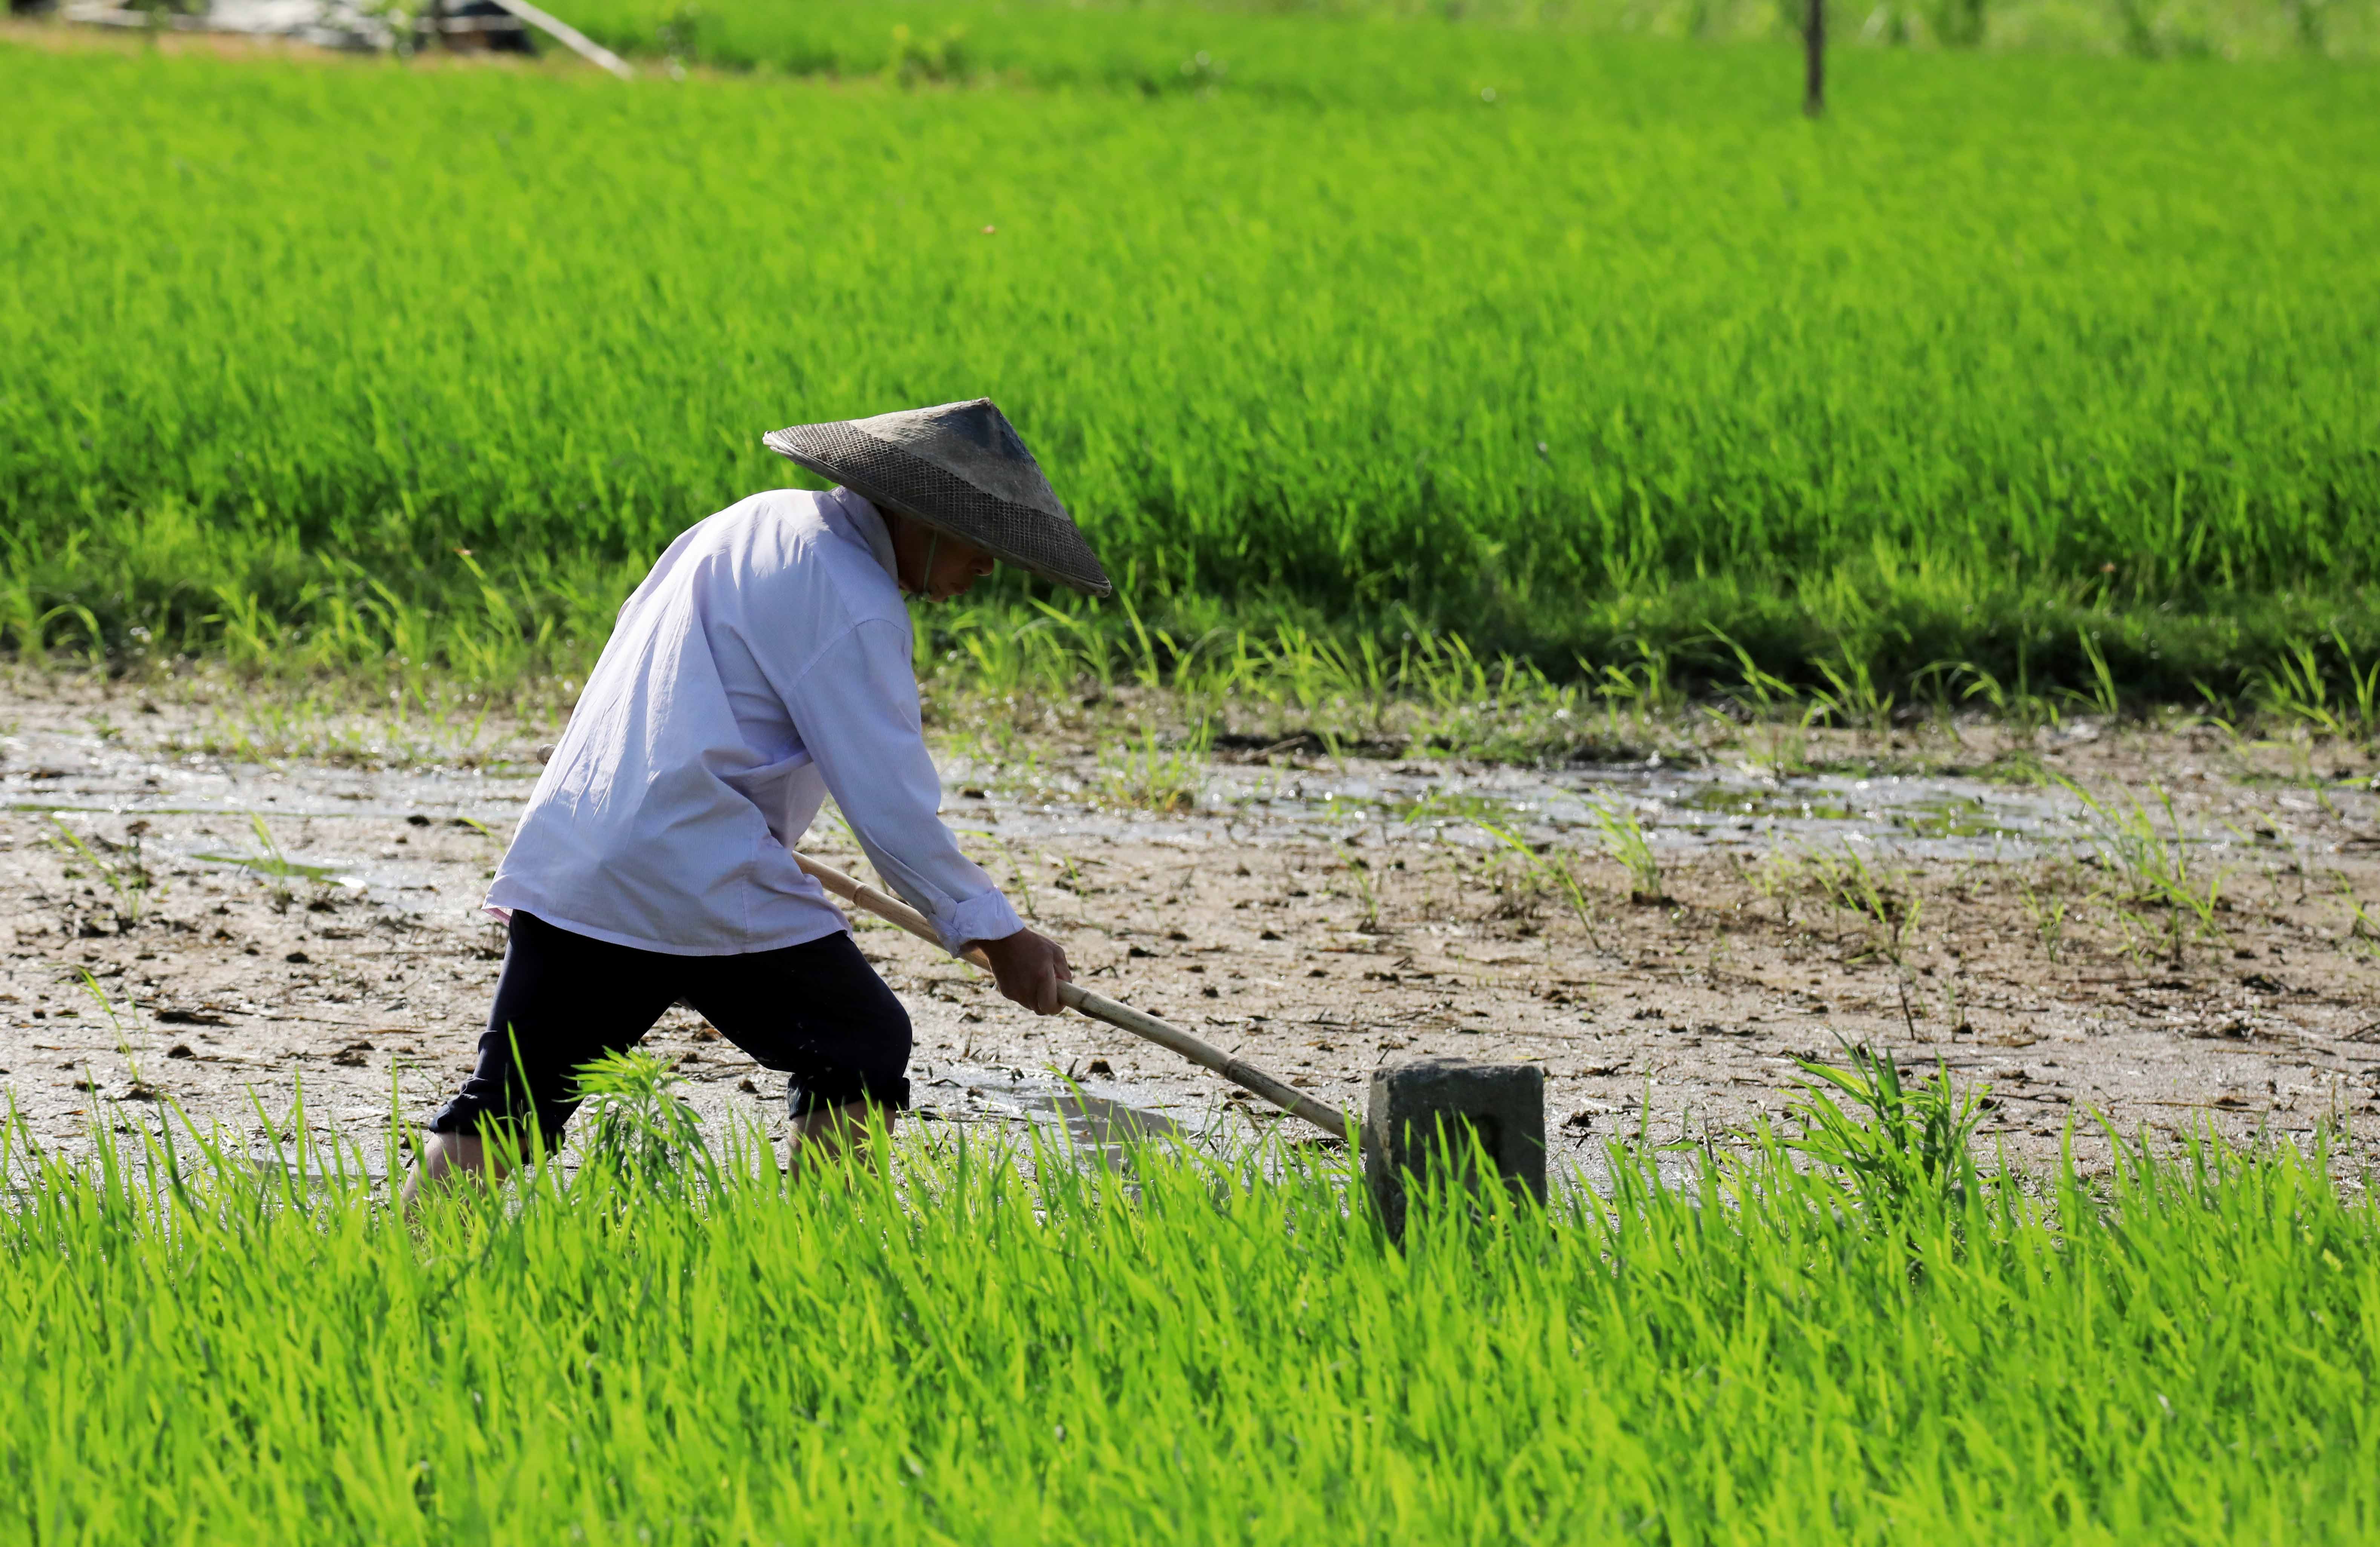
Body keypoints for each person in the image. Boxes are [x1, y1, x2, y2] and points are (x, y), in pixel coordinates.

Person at [403, 399, 1110, 1204]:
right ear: (922, 518)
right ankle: (822, 1259)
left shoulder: (748, 524)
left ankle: (407, 1267)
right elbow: (891, 810)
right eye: (983, 547)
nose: (987, 570)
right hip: (690, 863)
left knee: (511, 1099)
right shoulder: (854, 600)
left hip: (585, 849)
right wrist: (995, 933)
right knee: (859, 1040)